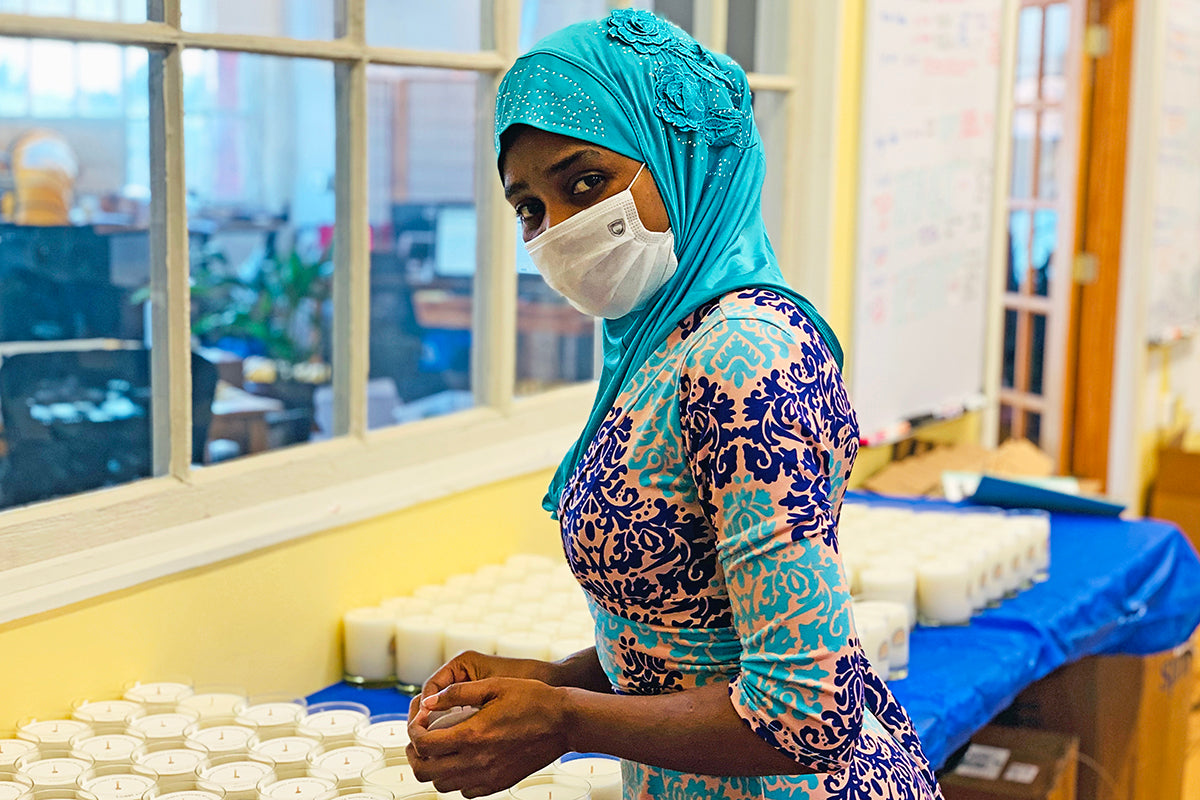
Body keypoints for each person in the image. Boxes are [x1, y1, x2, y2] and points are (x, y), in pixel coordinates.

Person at [406, 10, 943, 799]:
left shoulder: (743, 355)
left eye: (584, 183)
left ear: (682, 157)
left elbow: (809, 711)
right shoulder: (663, 346)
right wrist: (555, 679)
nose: (559, 229)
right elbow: (698, 630)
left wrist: (564, 717)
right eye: (530, 208)